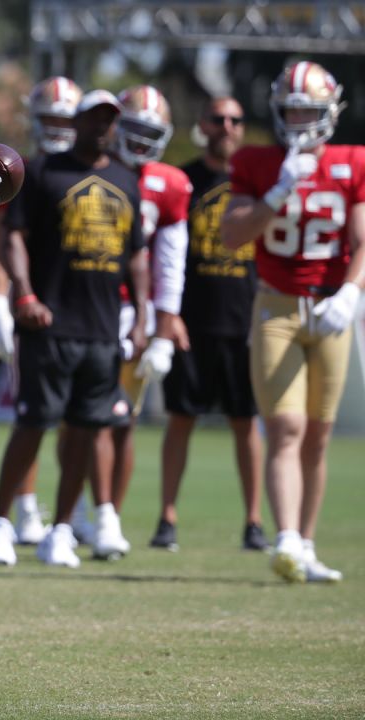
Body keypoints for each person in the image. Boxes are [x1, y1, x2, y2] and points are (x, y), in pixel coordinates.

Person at [0, 89, 148, 568]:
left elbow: (137, 256)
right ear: (76, 121)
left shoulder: (126, 179)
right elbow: (14, 237)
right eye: (93, 117)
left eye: (108, 119)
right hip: (49, 323)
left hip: (102, 327)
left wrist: (143, 318)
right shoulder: (45, 172)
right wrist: (23, 293)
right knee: (32, 423)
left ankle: (63, 529)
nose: (101, 126)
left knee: (89, 430)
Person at [221, 60, 363, 583]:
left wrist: (351, 291)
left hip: (332, 308)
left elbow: (363, 240)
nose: (300, 118)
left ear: (330, 112)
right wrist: (277, 194)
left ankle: (306, 542)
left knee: (318, 436)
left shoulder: (353, 160)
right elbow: (231, 236)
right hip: (276, 305)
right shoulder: (258, 161)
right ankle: (284, 539)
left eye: (310, 109)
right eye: (292, 108)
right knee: (286, 427)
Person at [74, 84, 193, 558]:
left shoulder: (169, 184)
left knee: (122, 419)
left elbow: (171, 262)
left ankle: (108, 515)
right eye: (134, 129)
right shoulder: (90, 170)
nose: (140, 141)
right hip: (88, 306)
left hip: (135, 315)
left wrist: (165, 328)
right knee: (84, 420)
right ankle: (85, 513)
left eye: (151, 132)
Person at [151, 96, 268, 552]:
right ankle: (167, 517)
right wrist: (170, 313)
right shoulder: (186, 180)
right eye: (217, 119)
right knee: (182, 418)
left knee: (246, 421)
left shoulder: (258, 182)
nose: (226, 127)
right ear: (202, 124)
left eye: (235, 120)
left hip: (245, 320)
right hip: (192, 322)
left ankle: (254, 521)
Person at [0, 75, 84, 546]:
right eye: (51, 119)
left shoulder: (90, 170)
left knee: (83, 419)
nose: (59, 128)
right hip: (34, 309)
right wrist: (0, 302)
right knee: (35, 416)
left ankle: (79, 510)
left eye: (67, 118)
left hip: (84, 308)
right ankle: (22, 506)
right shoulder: (18, 170)